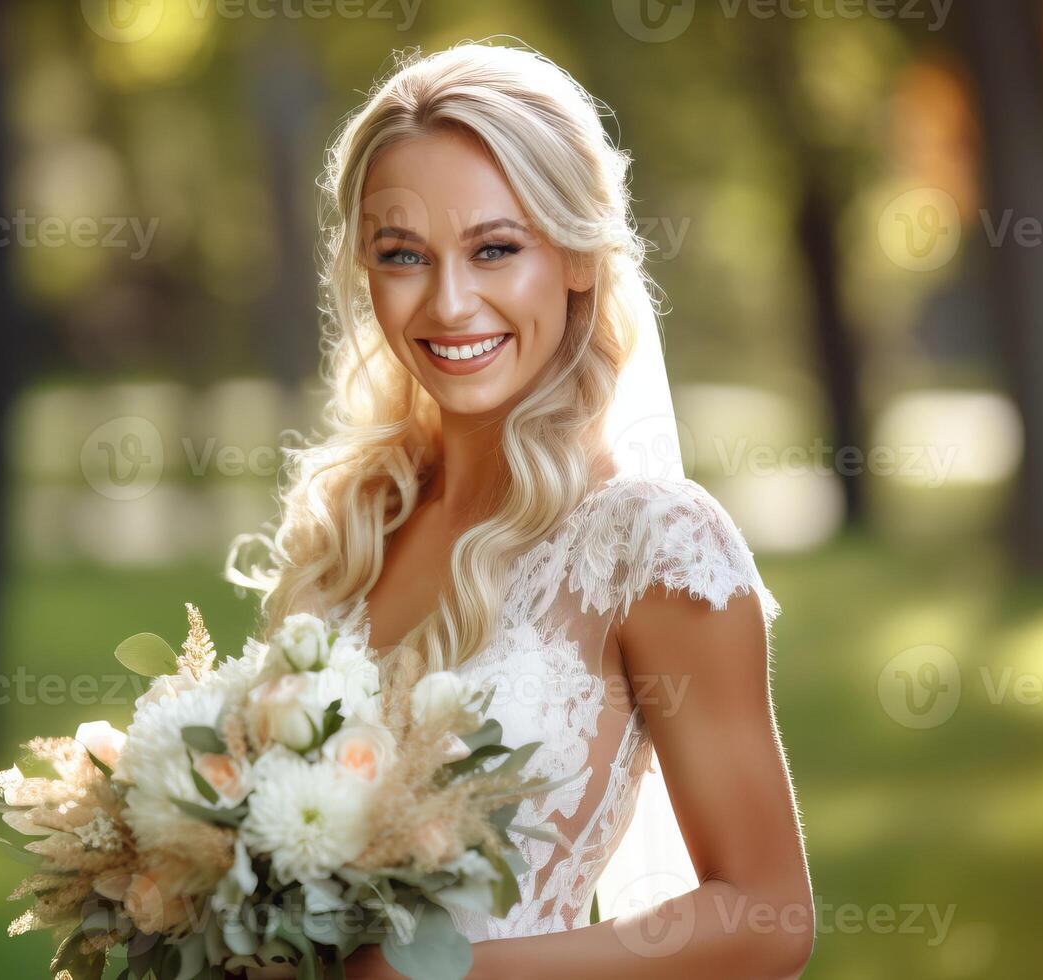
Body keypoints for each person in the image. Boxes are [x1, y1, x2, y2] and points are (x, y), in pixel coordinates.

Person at [227, 40, 813, 979]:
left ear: (580, 257)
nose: (451, 303)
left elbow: (768, 916)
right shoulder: (360, 522)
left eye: (496, 248)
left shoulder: (651, 539)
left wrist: (446, 974)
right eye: (403, 255)